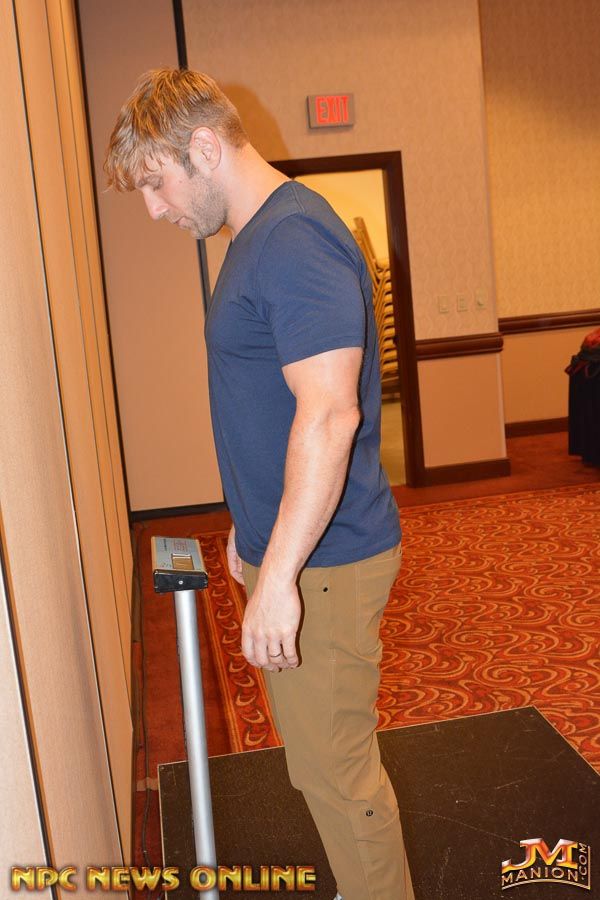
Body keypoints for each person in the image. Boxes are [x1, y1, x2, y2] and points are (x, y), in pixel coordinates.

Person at [105, 68, 411, 900]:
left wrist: (278, 576)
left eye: (157, 183)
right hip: (298, 552)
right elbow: (274, 406)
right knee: (320, 766)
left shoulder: (291, 240)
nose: (155, 210)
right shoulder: (258, 237)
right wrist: (255, 531)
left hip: (325, 563)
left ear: (203, 147)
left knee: (339, 775)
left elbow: (330, 414)